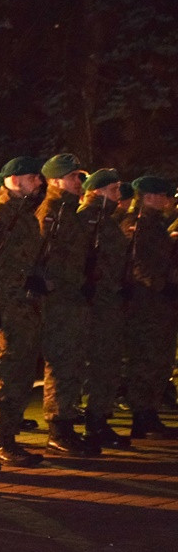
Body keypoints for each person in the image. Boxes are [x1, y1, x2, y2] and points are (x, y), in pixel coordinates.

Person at [35, 153, 100, 456]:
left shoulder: (69, 211)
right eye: (74, 177)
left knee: (72, 363)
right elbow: (44, 258)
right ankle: (58, 429)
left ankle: (68, 424)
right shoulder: (51, 211)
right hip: (58, 301)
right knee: (61, 364)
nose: (79, 182)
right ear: (56, 180)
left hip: (73, 299)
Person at [0, 157, 45, 466]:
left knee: (22, 374)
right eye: (32, 177)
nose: (38, 182)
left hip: (26, 306)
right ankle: (1, 439)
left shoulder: (26, 216)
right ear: (13, 180)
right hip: (7, 306)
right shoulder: (0, 215)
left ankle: (10, 434)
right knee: (7, 373)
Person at [120, 176, 178, 439]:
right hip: (146, 305)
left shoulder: (155, 225)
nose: (168, 200)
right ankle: (142, 415)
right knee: (145, 360)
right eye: (164, 195)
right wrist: (162, 286)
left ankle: (149, 414)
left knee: (159, 360)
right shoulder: (139, 225)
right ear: (149, 197)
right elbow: (139, 265)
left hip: (160, 305)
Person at [77, 169, 131, 449]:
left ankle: (99, 419)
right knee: (100, 363)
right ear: (97, 191)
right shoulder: (89, 219)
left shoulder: (106, 219)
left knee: (108, 363)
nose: (118, 194)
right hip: (97, 302)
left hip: (108, 300)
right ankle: (94, 423)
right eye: (113, 189)